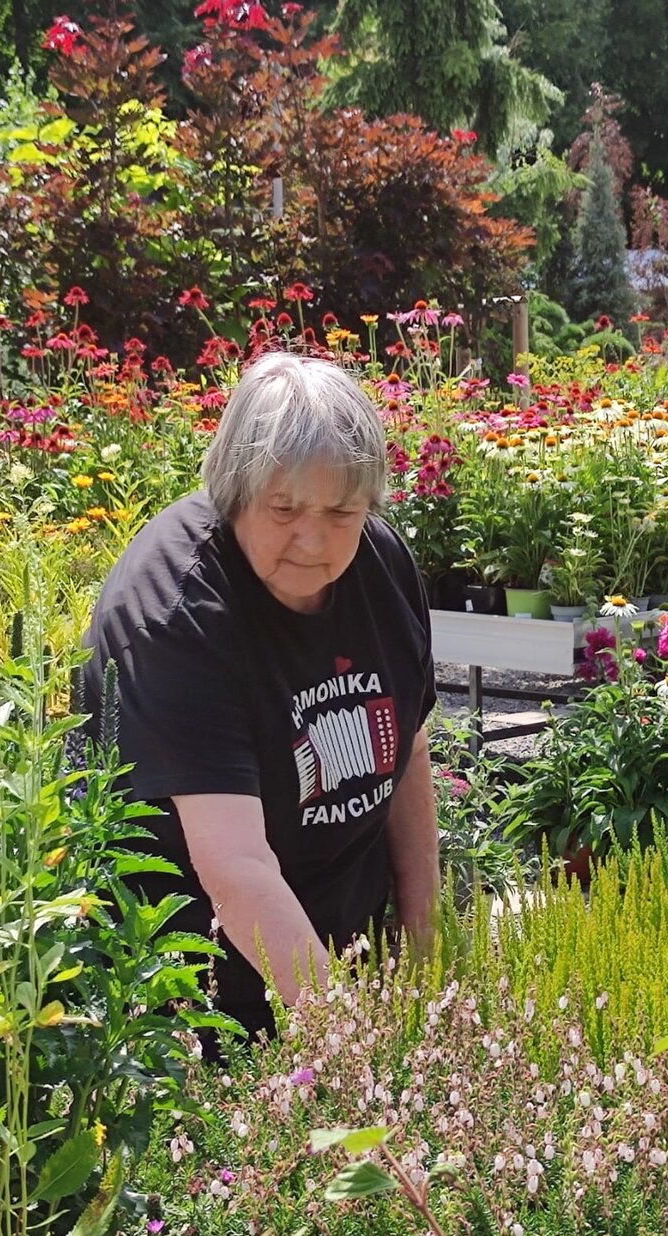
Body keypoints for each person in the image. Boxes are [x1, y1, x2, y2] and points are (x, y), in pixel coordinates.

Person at [83, 351, 440, 1042]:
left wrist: (425, 942)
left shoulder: (381, 562)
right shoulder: (175, 614)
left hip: (345, 955)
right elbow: (235, 868)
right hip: (200, 991)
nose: (313, 540)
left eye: (342, 510)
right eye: (284, 508)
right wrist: (353, 1049)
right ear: (235, 490)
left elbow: (408, 743)